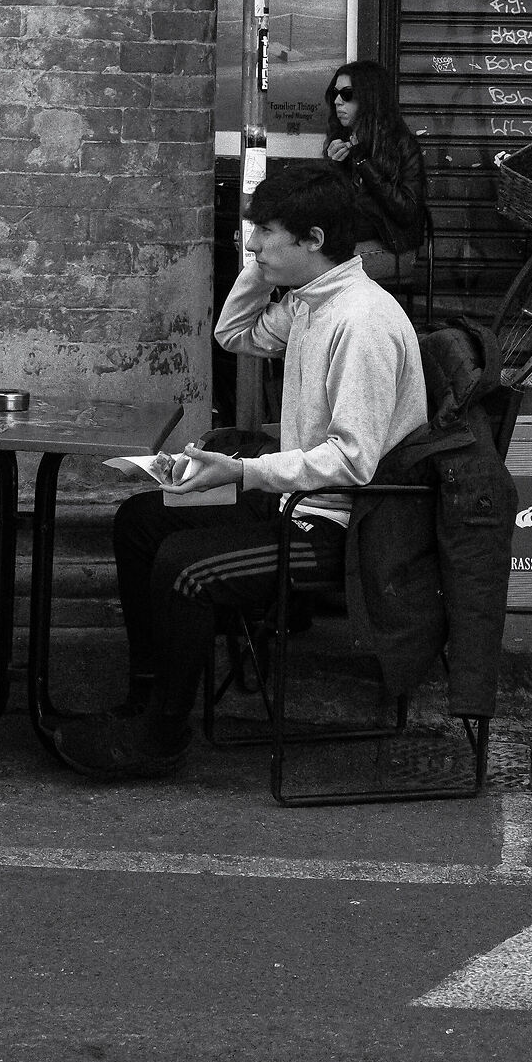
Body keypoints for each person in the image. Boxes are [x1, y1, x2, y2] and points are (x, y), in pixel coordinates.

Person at [53, 162, 428, 782]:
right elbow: (233, 333)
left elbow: (353, 461)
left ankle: (160, 739)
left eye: (264, 234)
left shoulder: (360, 320)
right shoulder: (313, 299)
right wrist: (264, 265)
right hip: (297, 501)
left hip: (340, 528)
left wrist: (242, 472)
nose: (249, 246)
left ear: (313, 239)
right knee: (142, 521)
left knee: (187, 567)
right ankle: (146, 700)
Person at [322, 60, 427, 284]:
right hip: (348, 243)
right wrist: (333, 166)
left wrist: (364, 163)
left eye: (347, 94)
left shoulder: (402, 145)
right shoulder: (342, 141)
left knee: (319, 270)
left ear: (369, 98)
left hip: (393, 249)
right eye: (335, 94)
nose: (338, 101)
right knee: (295, 260)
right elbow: (331, 207)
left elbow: (407, 211)